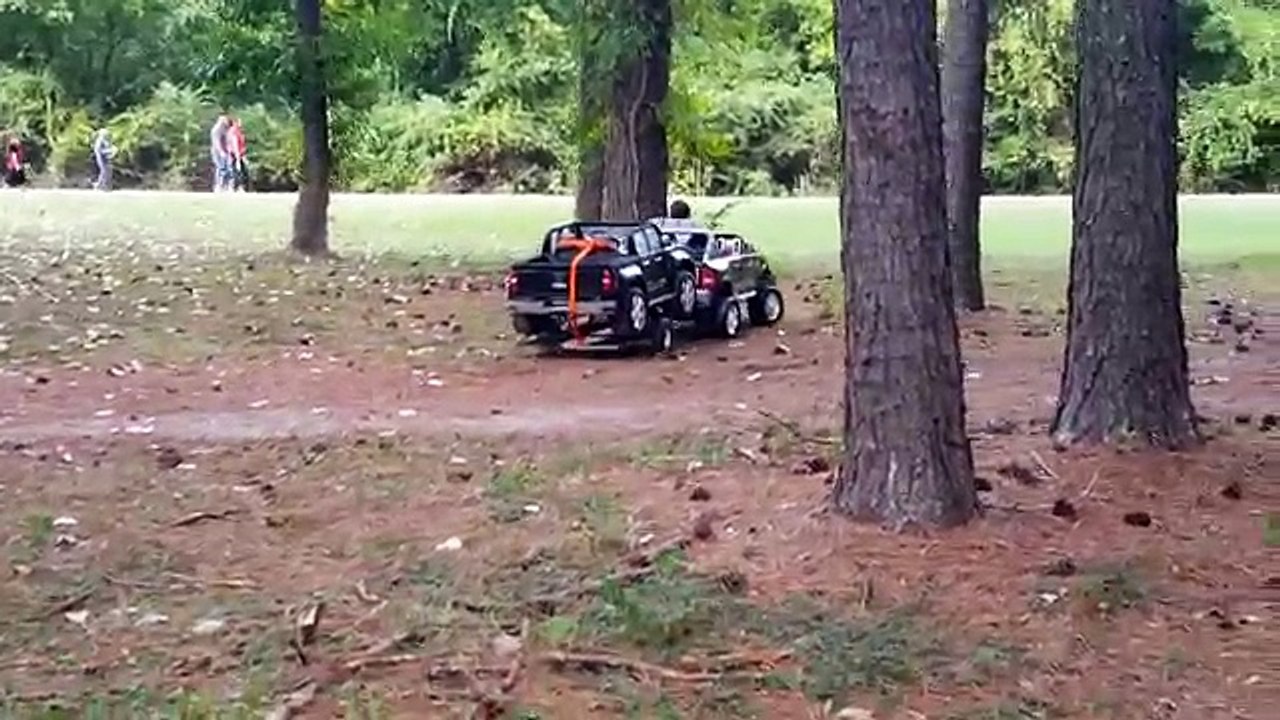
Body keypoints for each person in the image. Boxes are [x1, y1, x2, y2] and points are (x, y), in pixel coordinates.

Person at [209, 114, 231, 192]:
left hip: (223, 151)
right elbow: (216, 142)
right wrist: (221, 151)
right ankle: (219, 186)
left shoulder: (224, 129)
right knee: (221, 168)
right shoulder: (217, 130)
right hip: (218, 151)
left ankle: (224, 185)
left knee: (225, 169)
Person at [227, 117, 248, 192]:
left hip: (240, 154)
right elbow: (235, 145)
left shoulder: (239, 131)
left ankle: (239, 187)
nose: (241, 123)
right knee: (237, 171)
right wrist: (238, 158)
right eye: (240, 121)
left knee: (242, 171)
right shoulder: (234, 131)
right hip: (235, 154)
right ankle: (236, 187)